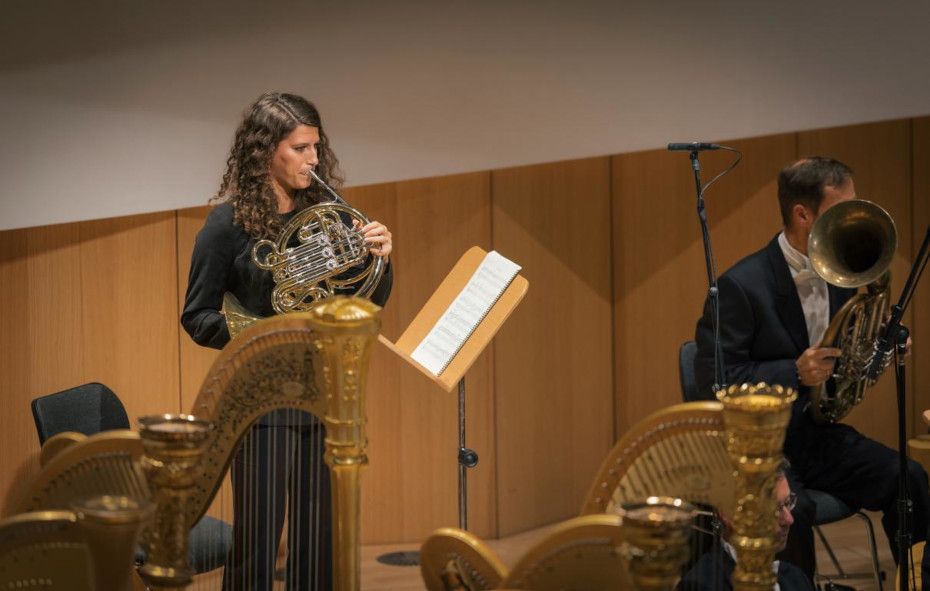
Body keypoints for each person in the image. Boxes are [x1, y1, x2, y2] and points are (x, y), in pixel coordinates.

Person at [181, 92, 393, 590]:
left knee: (319, 540)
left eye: (316, 147)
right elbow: (197, 316)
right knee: (256, 542)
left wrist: (382, 258)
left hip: (321, 392)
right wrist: (265, 335)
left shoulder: (329, 215)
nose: (314, 159)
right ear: (265, 152)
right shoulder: (226, 225)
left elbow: (363, 302)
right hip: (260, 401)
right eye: (300, 148)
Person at [693, 156, 929, 585]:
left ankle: (915, 583)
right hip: (763, 445)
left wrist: (891, 340)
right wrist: (793, 372)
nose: (851, 221)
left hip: (817, 433)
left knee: (910, 478)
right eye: (841, 210)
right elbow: (717, 382)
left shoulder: (841, 268)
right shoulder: (740, 287)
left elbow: (862, 329)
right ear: (803, 214)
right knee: (793, 510)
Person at [678, 463, 813, 591]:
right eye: (773, 510)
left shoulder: (797, 578)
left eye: (788, 503)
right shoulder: (702, 585)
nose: (789, 520)